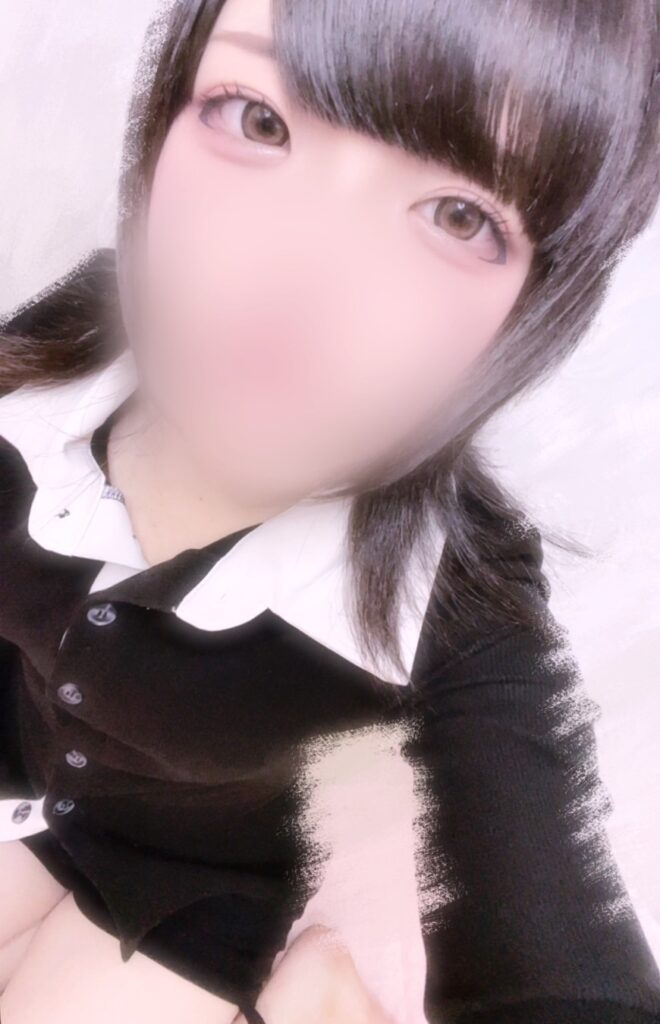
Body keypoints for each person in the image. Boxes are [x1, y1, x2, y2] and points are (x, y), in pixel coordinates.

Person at [0, 0, 659, 1021]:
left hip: (192, 893)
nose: (299, 273)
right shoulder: (72, 342)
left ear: (536, 305)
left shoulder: (455, 591)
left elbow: (561, 959)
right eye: (257, 119)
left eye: (460, 216)